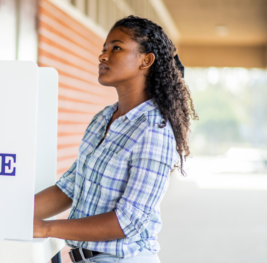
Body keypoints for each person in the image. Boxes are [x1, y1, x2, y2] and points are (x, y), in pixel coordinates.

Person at [33, 16, 198, 263]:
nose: (103, 56)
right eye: (104, 49)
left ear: (146, 60)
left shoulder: (155, 129)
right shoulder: (103, 118)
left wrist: (45, 228)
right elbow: (69, 188)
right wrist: (10, 213)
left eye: (116, 48)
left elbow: (128, 220)